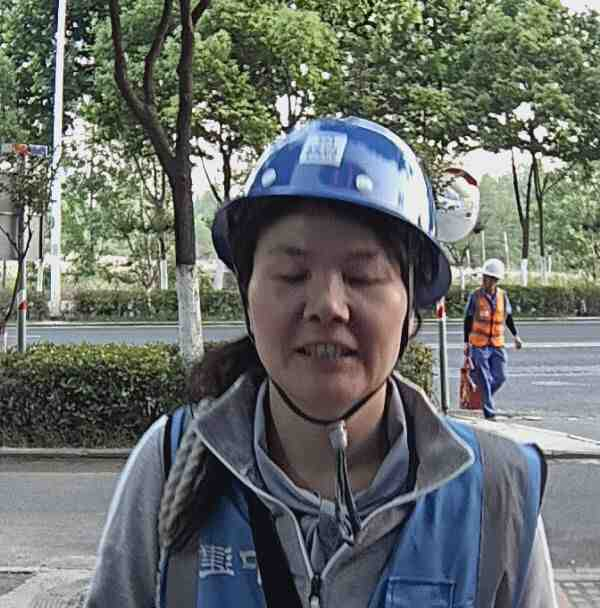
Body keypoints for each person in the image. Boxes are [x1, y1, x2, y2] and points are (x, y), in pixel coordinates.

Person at [84, 118, 557, 608]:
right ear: (247, 295)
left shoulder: (496, 490)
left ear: (412, 305)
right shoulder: (170, 465)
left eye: (362, 275)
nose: (328, 306)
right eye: (292, 274)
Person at [464, 259, 524, 420]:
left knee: (500, 377)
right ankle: (489, 412)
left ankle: (482, 394)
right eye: (484, 277)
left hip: (497, 344)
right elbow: (468, 320)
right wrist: (466, 343)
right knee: (484, 377)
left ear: (495, 280)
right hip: (479, 344)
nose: (485, 281)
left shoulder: (502, 296)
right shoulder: (475, 296)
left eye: (489, 278)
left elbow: (508, 317)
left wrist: (516, 336)